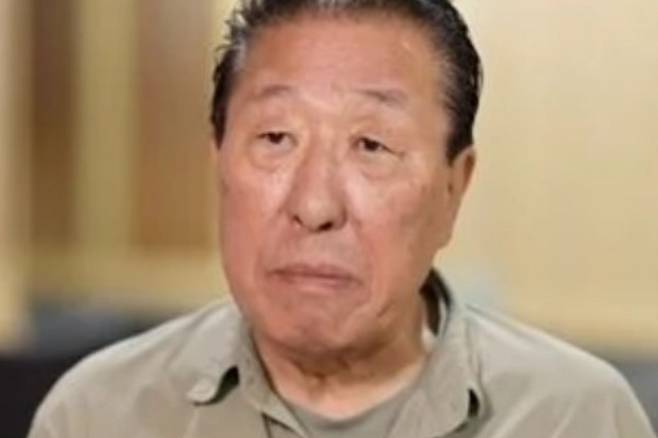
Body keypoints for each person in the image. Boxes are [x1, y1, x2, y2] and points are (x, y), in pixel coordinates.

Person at [29, 0, 656, 437]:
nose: (314, 206)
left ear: (453, 189)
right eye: (275, 138)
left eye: (372, 145)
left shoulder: (577, 418)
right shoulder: (99, 415)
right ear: (218, 163)